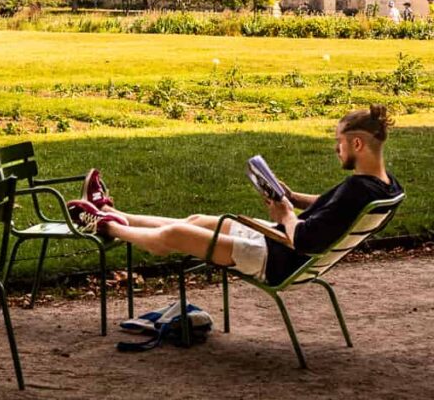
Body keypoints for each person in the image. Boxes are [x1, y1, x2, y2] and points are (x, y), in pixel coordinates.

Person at [80, 106, 402, 287]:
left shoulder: (357, 190)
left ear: (357, 145)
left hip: (276, 259)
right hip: (276, 244)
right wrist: (290, 196)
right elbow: (329, 208)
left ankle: (105, 225)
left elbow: (305, 240)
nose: (337, 148)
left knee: (178, 234)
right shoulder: (385, 186)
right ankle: (114, 211)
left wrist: (285, 214)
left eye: (340, 142)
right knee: (197, 221)